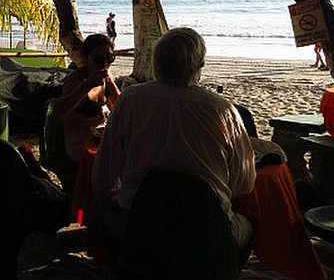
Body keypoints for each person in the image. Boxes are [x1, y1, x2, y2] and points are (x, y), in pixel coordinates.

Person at [92, 27, 256, 247]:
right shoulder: (222, 109)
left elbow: (104, 171)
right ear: (200, 65)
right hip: (206, 228)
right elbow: (244, 182)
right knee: (253, 223)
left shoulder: (130, 100)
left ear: (156, 62)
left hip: (141, 226)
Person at [53, 34, 120, 164]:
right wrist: (87, 86)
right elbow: (57, 112)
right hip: (78, 141)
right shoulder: (76, 81)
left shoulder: (105, 75)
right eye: (99, 59)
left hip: (99, 136)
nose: (105, 63)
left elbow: (119, 102)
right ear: (87, 58)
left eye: (110, 58)